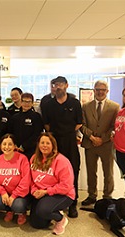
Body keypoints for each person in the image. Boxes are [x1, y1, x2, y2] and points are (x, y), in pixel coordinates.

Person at [40, 76, 82, 218]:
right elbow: (46, 125)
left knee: (73, 171)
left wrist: (67, 132)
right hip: (54, 143)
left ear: (66, 85)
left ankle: (73, 203)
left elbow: (79, 123)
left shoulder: (75, 103)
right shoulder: (48, 104)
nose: (58, 87)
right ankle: (57, 201)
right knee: (54, 173)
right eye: (55, 84)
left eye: (61, 84)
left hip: (70, 141)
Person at [80, 80, 120, 206]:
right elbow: (82, 125)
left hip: (107, 144)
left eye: (103, 89)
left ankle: (107, 196)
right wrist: (92, 137)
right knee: (91, 172)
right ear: (94, 90)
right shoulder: (85, 106)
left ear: (107, 91)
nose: (100, 92)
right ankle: (92, 195)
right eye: (97, 89)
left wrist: (103, 139)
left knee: (108, 173)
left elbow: (115, 126)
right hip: (90, 144)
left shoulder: (115, 107)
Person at [29, 133, 75, 235]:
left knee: (43, 210)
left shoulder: (62, 161)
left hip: (62, 194)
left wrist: (46, 192)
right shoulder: (34, 158)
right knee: (36, 224)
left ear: (53, 145)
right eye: (42, 143)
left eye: (48, 143)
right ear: (38, 144)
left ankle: (60, 219)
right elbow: (31, 179)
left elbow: (66, 186)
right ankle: (52, 211)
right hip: (42, 193)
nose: (44, 145)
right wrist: (34, 190)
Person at [0, 134, 31, 225]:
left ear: (14, 146)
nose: (7, 147)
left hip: (20, 194)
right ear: (0, 146)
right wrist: (2, 192)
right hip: (5, 192)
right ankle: (9, 211)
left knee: (18, 205)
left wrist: (14, 195)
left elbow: (26, 180)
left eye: (10, 144)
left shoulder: (22, 159)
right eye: (4, 144)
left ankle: (21, 212)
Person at [7, 92, 43, 159]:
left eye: (29, 102)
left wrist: (24, 146)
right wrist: (14, 145)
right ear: (21, 102)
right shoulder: (15, 117)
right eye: (24, 101)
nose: (26, 104)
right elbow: (10, 132)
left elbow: (37, 134)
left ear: (32, 103)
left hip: (31, 150)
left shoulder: (36, 116)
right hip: (16, 149)